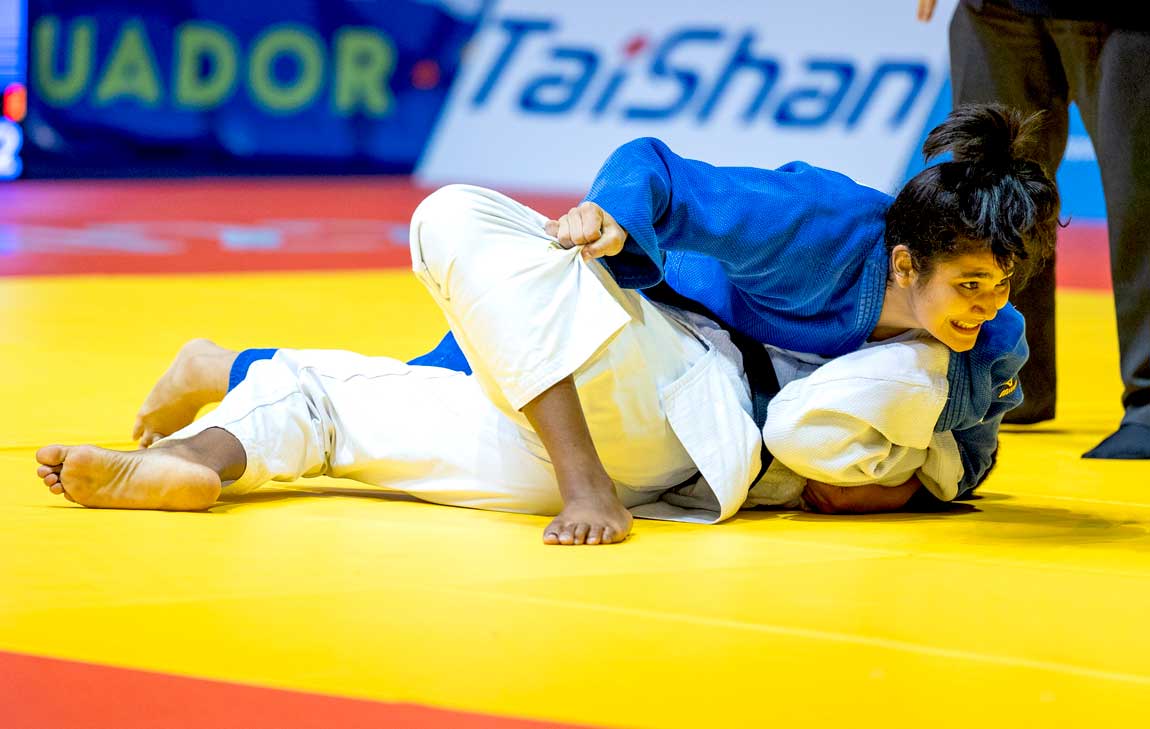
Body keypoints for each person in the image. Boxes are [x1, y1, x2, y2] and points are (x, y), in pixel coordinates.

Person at [34, 104, 1059, 544]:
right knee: (338, 392)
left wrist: (899, 484)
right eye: (968, 283)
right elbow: (659, 169)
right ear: (902, 260)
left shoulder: (973, 349)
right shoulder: (820, 220)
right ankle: (204, 455)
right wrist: (609, 213)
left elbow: (967, 463)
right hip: (632, 394)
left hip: (671, 430)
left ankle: (231, 370)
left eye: (1000, 285)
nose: (987, 306)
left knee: (450, 223)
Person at [917, 0, 1150, 458]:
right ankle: (1003, 379)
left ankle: (1148, 403)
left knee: (1139, 192)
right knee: (988, 192)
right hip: (995, 10)